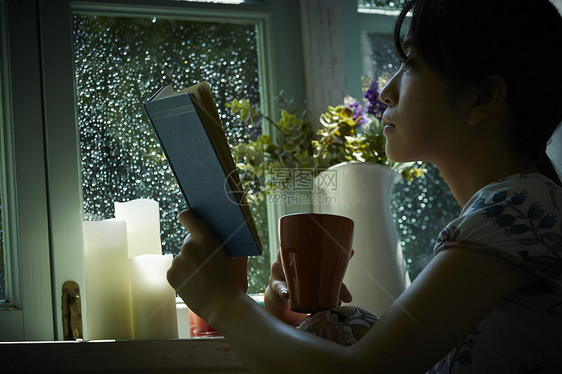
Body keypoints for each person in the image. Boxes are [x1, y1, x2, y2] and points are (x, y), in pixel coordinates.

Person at [166, 0, 562, 372]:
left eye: (412, 64)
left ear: (482, 97)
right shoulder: (518, 211)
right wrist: (297, 322)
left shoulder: (515, 207)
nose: (387, 92)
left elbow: (365, 370)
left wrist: (221, 302)